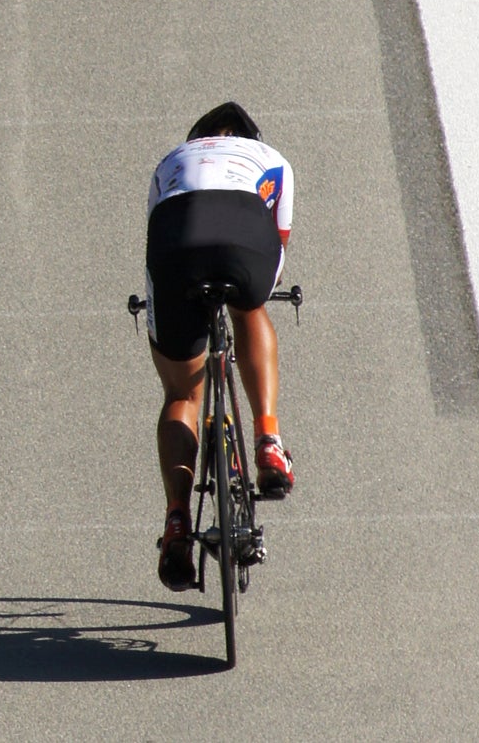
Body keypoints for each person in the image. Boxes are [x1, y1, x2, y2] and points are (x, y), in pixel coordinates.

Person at [144, 101, 296, 591]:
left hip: (175, 242)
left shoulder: (172, 159)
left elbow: (154, 232)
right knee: (252, 307)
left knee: (181, 395)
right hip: (244, 237)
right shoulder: (269, 158)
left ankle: (176, 521)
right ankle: (268, 442)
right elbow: (280, 240)